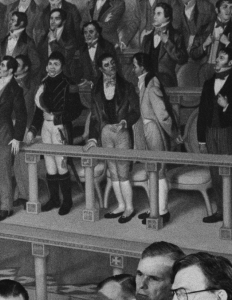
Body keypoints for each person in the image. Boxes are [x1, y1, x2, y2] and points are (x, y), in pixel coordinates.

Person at [196, 45, 232, 225]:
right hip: (210, 133)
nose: (217, 60)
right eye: (217, 57)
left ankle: (230, 216)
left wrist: (227, 106)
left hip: (228, 133)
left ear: (231, 62)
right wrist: (201, 140)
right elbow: (202, 113)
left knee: (230, 176)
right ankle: (220, 211)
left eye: (221, 57)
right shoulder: (208, 83)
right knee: (216, 175)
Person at [85, 53, 139, 222]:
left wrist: (125, 121)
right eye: (107, 65)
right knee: (113, 172)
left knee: (123, 171)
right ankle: (121, 206)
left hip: (122, 132)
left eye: (113, 63)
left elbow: (136, 111)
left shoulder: (128, 86)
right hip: (105, 133)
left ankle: (129, 208)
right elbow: (94, 117)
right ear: (101, 69)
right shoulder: (96, 90)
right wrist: (93, 139)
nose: (111, 67)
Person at [29, 52, 75, 216]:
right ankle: (55, 199)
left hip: (60, 128)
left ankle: (67, 201)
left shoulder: (68, 84)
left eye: (56, 64)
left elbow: (75, 110)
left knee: (61, 164)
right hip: (45, 128)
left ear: (62, 66)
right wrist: (32, 130)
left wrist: (56, 117)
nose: (52, 67)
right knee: (49, 164)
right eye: (50, 64)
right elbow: (37, 111)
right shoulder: (43, 83)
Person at [133, 52, 176, 223]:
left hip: (154, 129)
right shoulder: (144, 81)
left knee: (159, 171)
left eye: (135, 65)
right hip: (146, 128)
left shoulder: (152, 83)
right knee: (151, 169)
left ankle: (163, 211)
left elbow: (163, 114)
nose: (133, 68)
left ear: (142, 66)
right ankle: (153, 208)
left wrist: (173, 133)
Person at [0, 56, 27, 223]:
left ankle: (6, 207)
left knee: (3, 170)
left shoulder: (15, 89)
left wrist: (17, 138)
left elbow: (22, 115)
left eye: (2, 66)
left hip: (4, 131)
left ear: (10, 70)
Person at [12, 54, 40, 209]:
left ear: (27, 68)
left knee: (22, 163)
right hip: (13, 124)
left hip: (27, 127)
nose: (15, 67)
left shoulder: (33, 85)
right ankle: (20, 193)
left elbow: (36, 111)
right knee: (16, 163)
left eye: (18, 65)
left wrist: (32, 129)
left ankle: (27, 195)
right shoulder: (10, 82)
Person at [195, 0, 232, 83]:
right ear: (217, 10)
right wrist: (204, 45)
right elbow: (193, 53)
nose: (229, 11)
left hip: (224, 70)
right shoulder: (204, 29)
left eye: (231, 7)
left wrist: (228, 43)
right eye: (225, 7)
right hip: (204, 69)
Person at [142, 2, 187, 88]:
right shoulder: (147, 39)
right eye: (154, 13)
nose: (154, 17)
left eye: (158, 14)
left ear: (167, 17)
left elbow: (182, 59)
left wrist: (167, 42)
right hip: (148, 82)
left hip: (167, 83)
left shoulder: (176, 36)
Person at [173, 0, 217, 79]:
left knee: (183, 75)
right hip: (187, 53)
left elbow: (207, 35)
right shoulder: (181, 6)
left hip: (202, 55)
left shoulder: (206, 7)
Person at [40, 9, 81, 82]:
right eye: (51, 18)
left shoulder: (70, 37)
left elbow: (64, 57)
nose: (52, 21)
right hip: (45, 75)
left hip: (63, 76)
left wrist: (52, 41)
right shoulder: (45, 35)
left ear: (64, 21)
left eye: (57, 18)